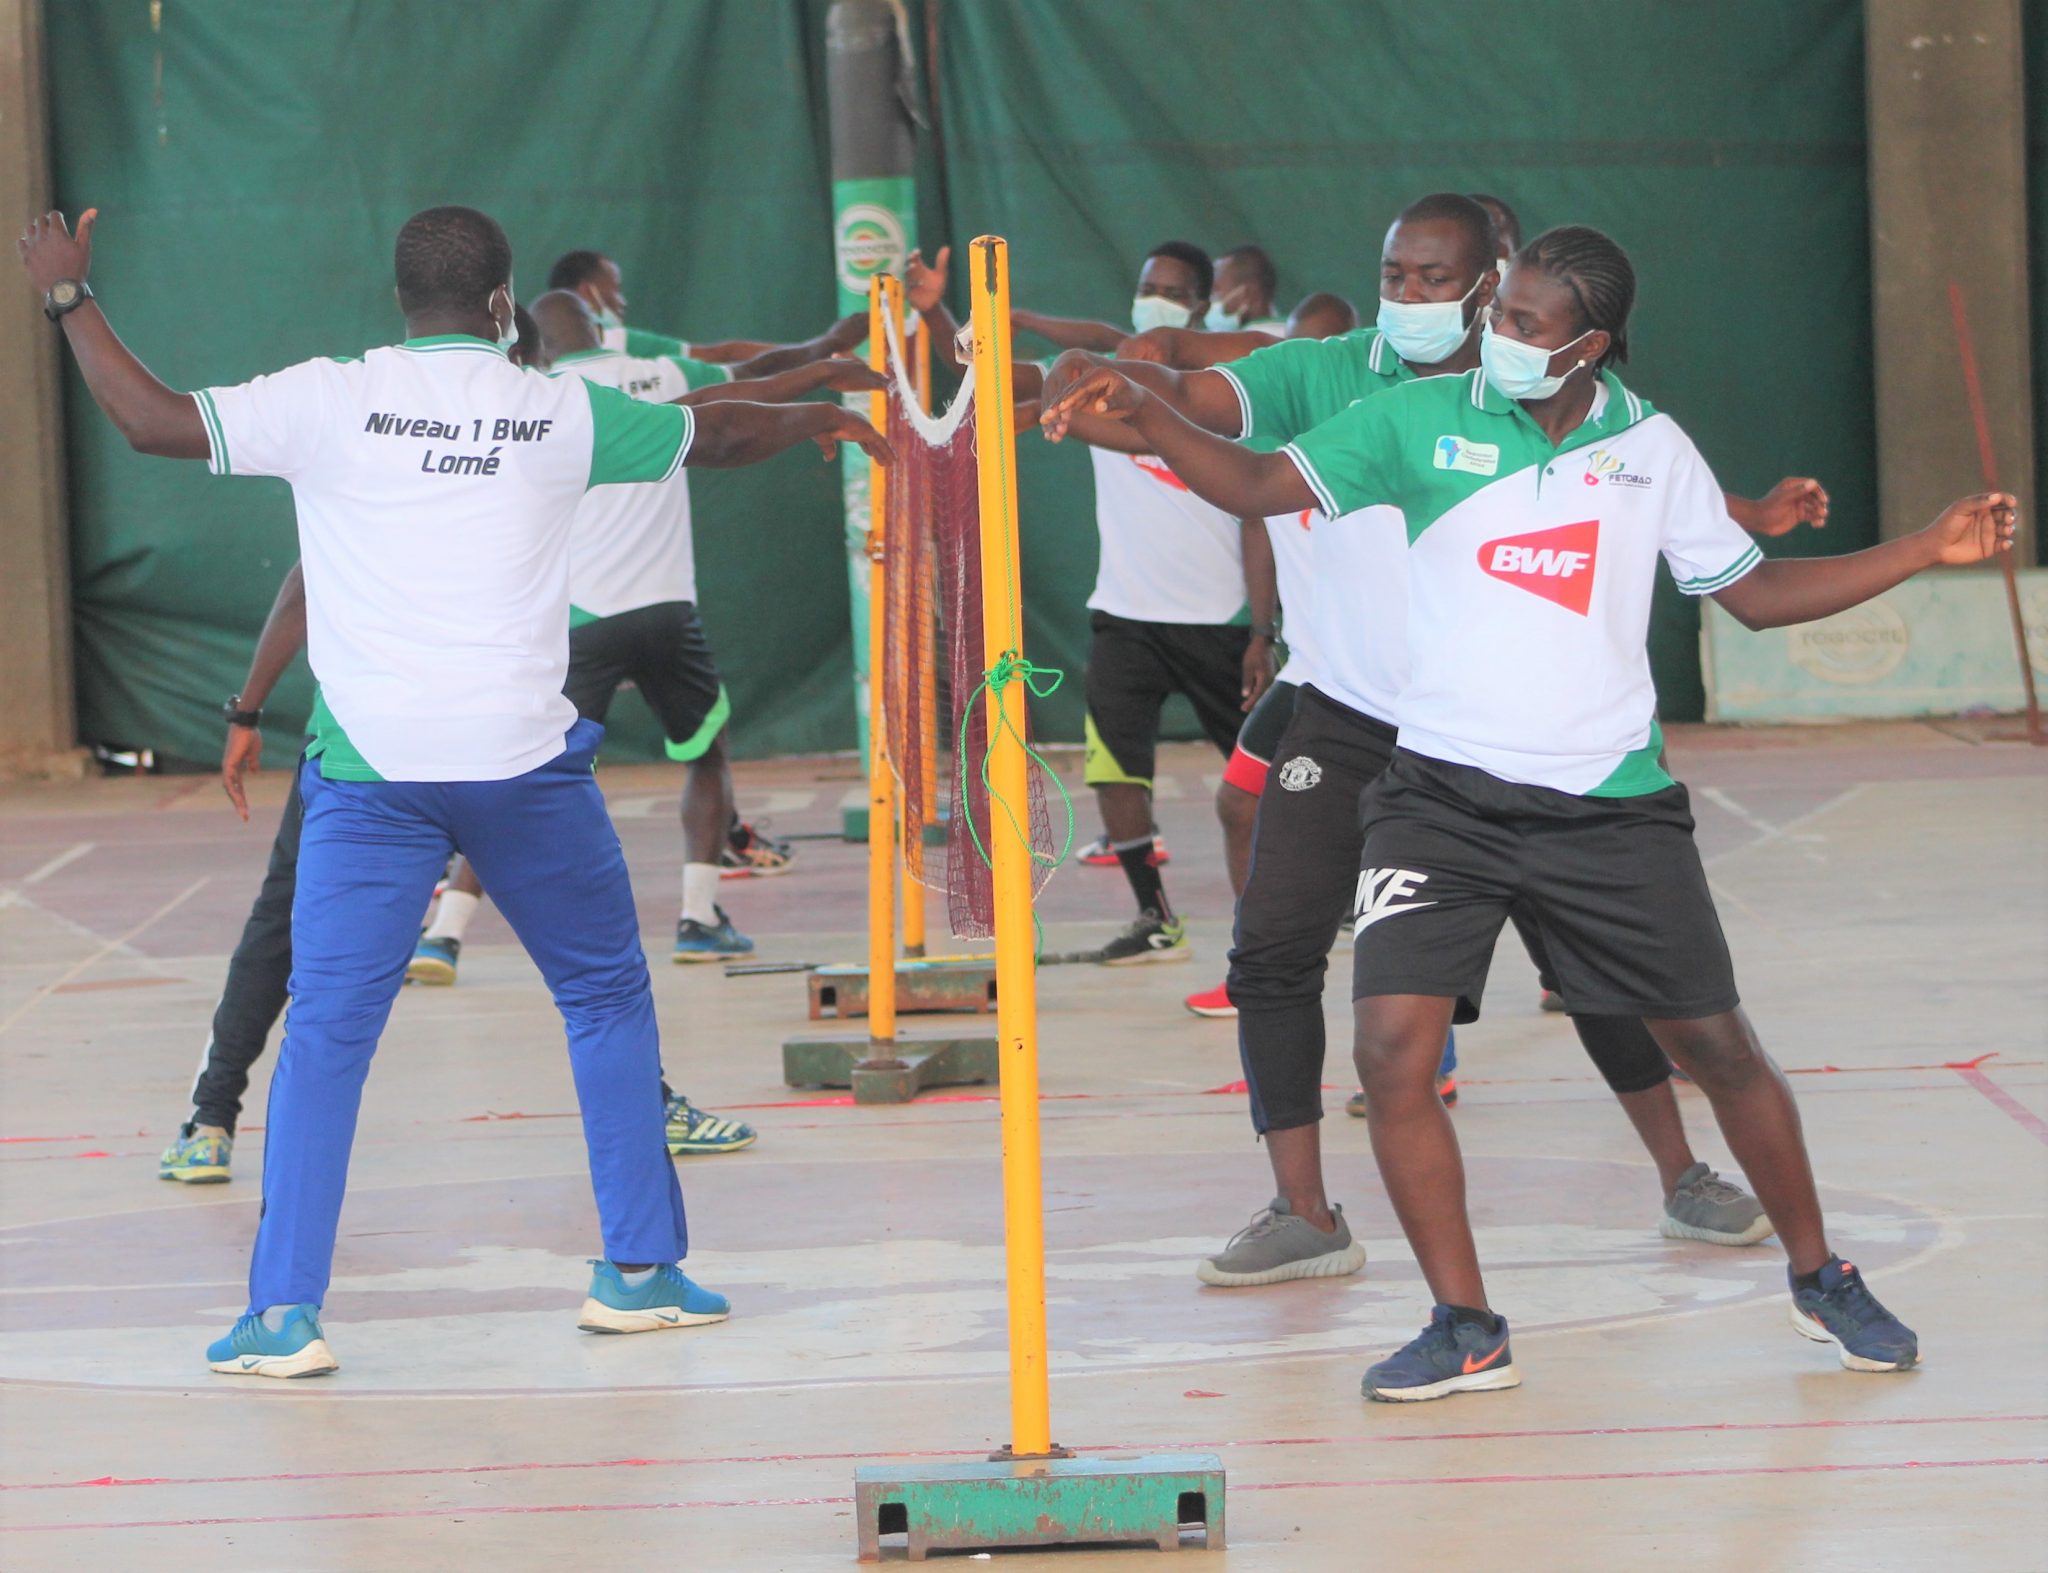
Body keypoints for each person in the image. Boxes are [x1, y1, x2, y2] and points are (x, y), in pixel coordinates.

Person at [1041, 221, 2015, 1394]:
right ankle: (1465, 1326)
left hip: (1608, 807)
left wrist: (1924, 545)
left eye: (1519, 322)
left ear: (1585, 345)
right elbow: (1250, 483)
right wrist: (1146, 416)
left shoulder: (1648, 450)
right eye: (1495, 310)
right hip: (1437, 797)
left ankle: (1819, 1276)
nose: (1492, 334)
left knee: (1717, 1047)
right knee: (1390, 1050)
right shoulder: (1415, 419)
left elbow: (1752, 594)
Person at [22, 201, 891, 1376]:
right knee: (603, 999)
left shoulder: (326, 398)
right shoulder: (554, 408)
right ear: (499, 303)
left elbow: (147, 419)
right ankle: (638, 1277)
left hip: (371, 778)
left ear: (400, 300)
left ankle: (283, 1316)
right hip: (522, 772)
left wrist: (68, 295)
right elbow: (719, 431)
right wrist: (825, 413)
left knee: (327, 1033)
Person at [910, 239, 1273, 962]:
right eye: (1148, 285)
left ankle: (1297, 908)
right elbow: (980, 367)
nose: (1155, 300)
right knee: (1114, 773)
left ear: (1201, 306)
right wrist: (935, 312)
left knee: (1264, 785)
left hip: (1221, 622)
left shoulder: (1227, 386)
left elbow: (1259, 517)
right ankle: (1155, 917)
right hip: (1125, 614)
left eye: (1172, 291)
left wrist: (1263, 629)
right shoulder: (1099, 373)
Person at [547, 248, 864, 377]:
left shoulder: (531, 359)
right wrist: (820, 355)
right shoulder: (617, 341)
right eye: (614, 289)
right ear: (587, 292)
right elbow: (723, 355)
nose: (621, 301)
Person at [1207, 245, 1287, 333]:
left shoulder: (1266, 336)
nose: (1208, 300)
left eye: (1215, 291)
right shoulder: (1291, 333)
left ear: (1249, 293)